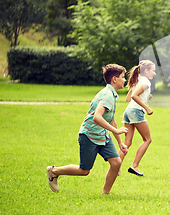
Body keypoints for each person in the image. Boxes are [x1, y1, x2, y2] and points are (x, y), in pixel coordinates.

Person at [46, 64, 129, 194]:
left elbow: (111, 119)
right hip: (89, 135)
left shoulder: (112, 95)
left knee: (116, 162)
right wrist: (117, 131)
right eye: (123, 77)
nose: (124, 80)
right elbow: (97, 117)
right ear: (114, 79)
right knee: (84, 171)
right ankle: (54, 171)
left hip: (102, 135)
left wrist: (120, 142)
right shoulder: (107, 95)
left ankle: (105, 193)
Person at [119, 60, 156, 176]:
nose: (154, 73)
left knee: (127, 143)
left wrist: (146, 96)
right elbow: (134, 96)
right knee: (147, 139)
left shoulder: (138, 80)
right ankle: (134, 166)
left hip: (128, 111)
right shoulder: (146, 82)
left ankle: (116, 168)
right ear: (146, 71)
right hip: (136, 112)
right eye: (153, 71)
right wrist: (147, 107)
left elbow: (128, 98)